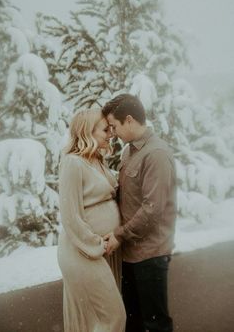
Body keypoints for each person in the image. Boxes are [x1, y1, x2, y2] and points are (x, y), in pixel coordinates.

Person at [102, 94, 177, 332]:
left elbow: (152, 210)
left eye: (114, 126)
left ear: (130, 120)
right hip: (131, 254)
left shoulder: (156, 154)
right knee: (132, 322)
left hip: (150, 255)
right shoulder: (128, 152)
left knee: (155, 324)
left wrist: (119, 235)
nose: (112, 132)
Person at [57, 108, 126, 332]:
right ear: (88, 131)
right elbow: (71, 216)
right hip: (83, 251)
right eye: (105, 129)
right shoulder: (72, 163)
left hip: (101, 250)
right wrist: (97, 245)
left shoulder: (97, 160)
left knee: (95, 320)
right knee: (114, 317)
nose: (111, 134)